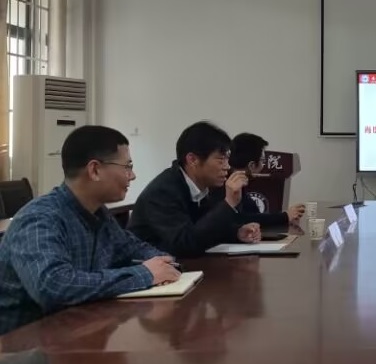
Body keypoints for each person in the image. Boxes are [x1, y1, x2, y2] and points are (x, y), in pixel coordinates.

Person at [0, 126, 180, 335]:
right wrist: (145, 274)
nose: (132, 176)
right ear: (94, 170)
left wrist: (164, 263)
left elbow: (132, 248)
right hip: (20, 345)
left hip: (72, 332)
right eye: (127, 166)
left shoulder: (99, 214)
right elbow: (53, 287)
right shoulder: (40, 218)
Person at [129, 121, 261, 257]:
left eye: (227, 159)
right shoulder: (163, 191)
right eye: (221, 160)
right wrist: (228, 204)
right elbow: (185, 243)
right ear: (192, 160)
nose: (227, 167)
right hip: (149, 264)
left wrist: (237, 233)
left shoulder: (202, 186)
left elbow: (203, 229)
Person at [216, 133, 305, 227]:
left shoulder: (238, 182)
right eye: (263, 161)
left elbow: (254, 214)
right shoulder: (224, 184)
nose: (263, 165)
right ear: (251, 165)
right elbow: (241, 219)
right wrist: (285, 216)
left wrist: (286, 216)